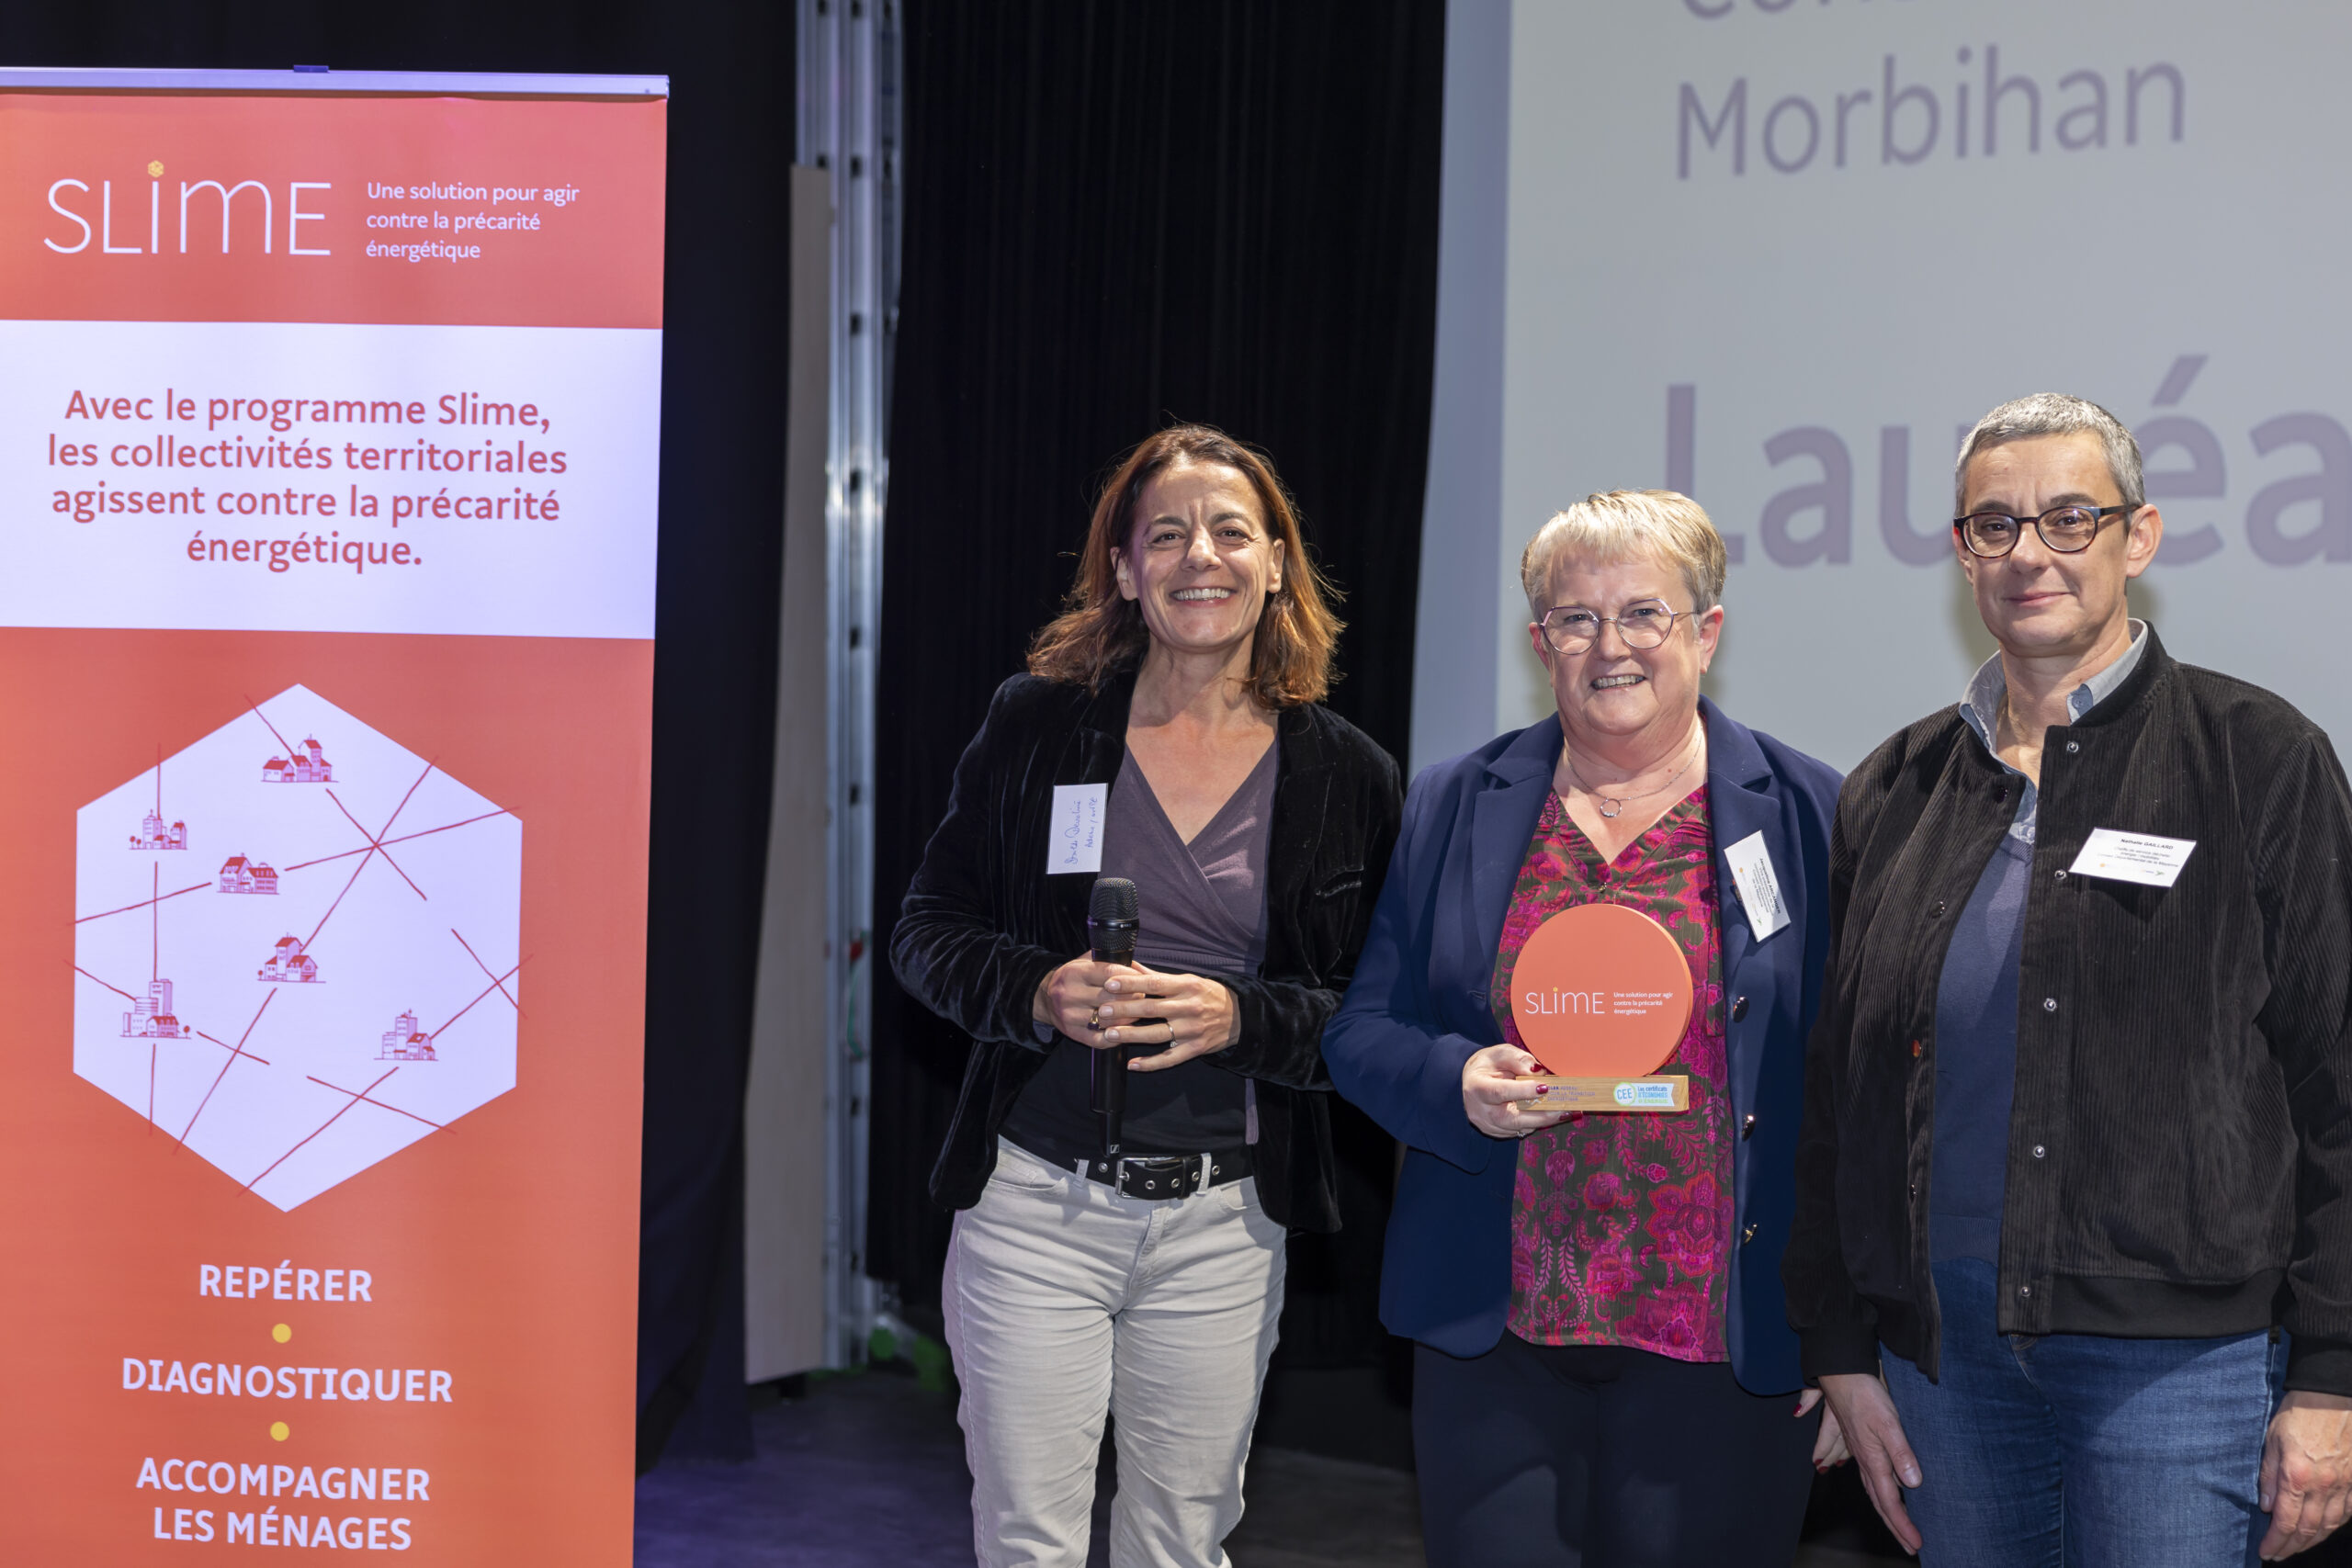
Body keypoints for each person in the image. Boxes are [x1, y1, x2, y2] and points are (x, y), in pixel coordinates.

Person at [1783, 392, 2352, 1565]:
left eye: (2068, 518)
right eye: (1994, 524)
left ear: (2137, 538)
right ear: (1961, 553)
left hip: (2179, 1365)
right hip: (1941, 1356)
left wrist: (2333, 1377)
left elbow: (2340, 1079)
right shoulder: (1894, 786)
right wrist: (1839, 1344)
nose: (2027, 552)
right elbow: (1838, 1092)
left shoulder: (2259, 759)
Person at [890, 424, 1403, 1568]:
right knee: (1028, 1542)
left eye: (1230, 532)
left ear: (1276, 563)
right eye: (1164, 536)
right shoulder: (1037, 725)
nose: (1198, 557)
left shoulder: (1346, 773)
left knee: (1177, 1544)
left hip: (1224, 1223)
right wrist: (1037, 989)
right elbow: (925, 931)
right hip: (1035, 1205)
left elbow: (1372, 1019)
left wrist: (1242, 1017)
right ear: (1124, 570)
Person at [1322, 490, 1846, 1567]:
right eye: (1576, 619)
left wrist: (1852, 1346)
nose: (1611, 647)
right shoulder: (1454, 803)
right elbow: (1361, 1030)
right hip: (1496, 1327)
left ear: (1706, 631)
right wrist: (1455, 1082)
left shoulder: (1807, 811)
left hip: (1722, 1334)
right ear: (1539, 643)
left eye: (1644, 613)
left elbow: (1860, 1090)